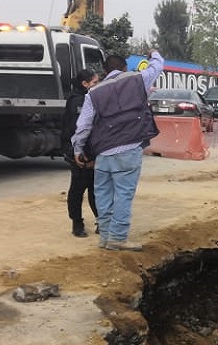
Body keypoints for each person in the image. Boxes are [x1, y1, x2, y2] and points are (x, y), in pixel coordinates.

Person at [71, 49, 164, 252]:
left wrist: (78, 148)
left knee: (103, 194)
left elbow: (84, 125)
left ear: (105, 71)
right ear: (124, 68)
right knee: (123, 194)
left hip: (103, 152)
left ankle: (105, 237)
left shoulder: (93, 93)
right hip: (128, 149)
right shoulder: (137, 79)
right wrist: (154, 54)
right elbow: (157, 66)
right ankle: (118, 238)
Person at [61, 68, 99, 238]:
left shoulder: (89, 98)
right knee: (78, 189)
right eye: (95, 83)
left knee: (96, 189)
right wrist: (78, 154)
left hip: (92, 151)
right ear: (85, 84)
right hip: (79, 152)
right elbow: (79, 130)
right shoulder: (79, 101)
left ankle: (102, 221)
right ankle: (77, 223)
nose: (98, 86)